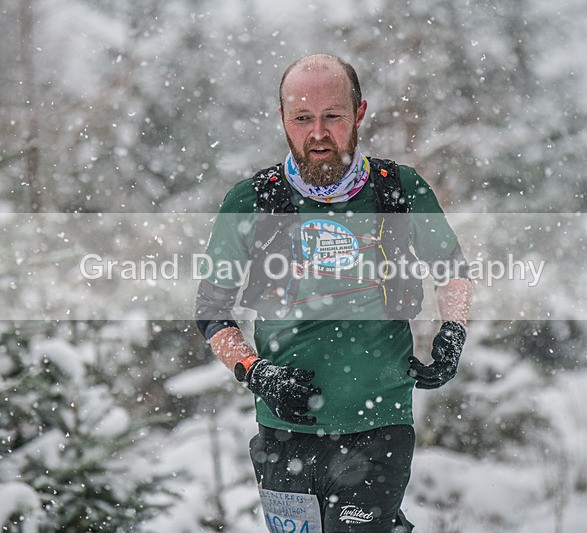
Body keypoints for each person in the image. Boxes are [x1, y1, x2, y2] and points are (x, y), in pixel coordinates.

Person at [196, 54, 473, 532]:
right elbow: (211, 311)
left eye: (332, 116)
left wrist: (452, 333)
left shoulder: (398, 190)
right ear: (283, 118)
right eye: (302, 118)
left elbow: (452, 272)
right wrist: (256, 371)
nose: (318, 132)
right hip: (285, 433)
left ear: (359, 113)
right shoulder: (253, 201)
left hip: (377, 426)